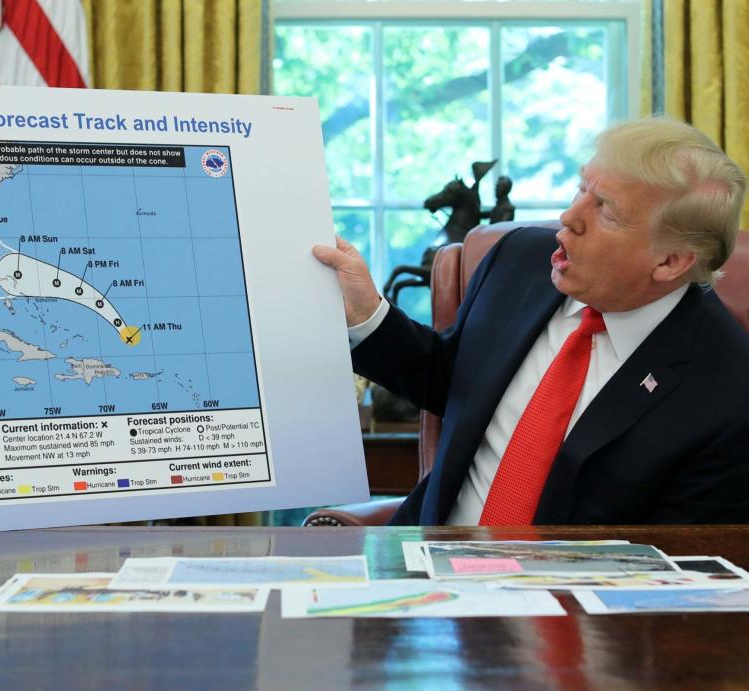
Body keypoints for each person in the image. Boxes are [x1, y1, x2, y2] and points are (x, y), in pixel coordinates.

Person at [313, 117, 749, 525]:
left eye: (606, 211)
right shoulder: (519, 260)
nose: (570, 217)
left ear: (670, 261)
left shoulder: (729, 391)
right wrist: (366, 313)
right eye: (582, 188)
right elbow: (451, 380)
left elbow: (678, 568)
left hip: (572, 597)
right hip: (430, 562)